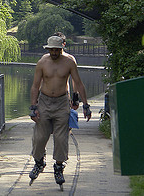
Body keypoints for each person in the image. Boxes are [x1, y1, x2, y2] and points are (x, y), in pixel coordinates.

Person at [28, 35, 92, 186]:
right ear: (48, 49)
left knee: (61, 138)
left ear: (62, 48)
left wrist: (85, 105)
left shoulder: (69, 62)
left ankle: (58, 167)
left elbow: (78, 83)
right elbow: (35, 86)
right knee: (39, 137)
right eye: (52, 50)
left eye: (57, 50)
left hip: (62, 102)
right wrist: (33, 107)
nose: (54, 52)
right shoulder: (42, 62)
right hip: (44, 102)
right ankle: (39, 162)